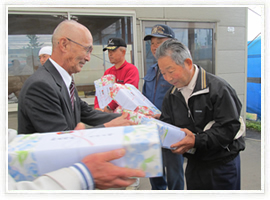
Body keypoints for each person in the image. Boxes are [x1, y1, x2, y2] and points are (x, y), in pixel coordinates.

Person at [156, 39, 246, 190]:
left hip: (222, 165)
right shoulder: (171, 96)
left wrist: (196, 140)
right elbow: (168, 125)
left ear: (188, 63)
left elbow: (229, 128)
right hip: (194, 164)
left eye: (171, 71)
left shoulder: (218, 89)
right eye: (163, 73)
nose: (168, 78)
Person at [18, 20, 135, 135]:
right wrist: (108, 127)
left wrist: (133, 118)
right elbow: (60, 139)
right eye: (86, 49)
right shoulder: (40, 86)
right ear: (64, 45)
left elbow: (88, 113)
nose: (88, 58)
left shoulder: (64, 80)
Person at [8, 123, 145, 190]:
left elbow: (10, 139)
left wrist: (73, 140)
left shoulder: (66, 81)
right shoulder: (41, 83)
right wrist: (83, 174)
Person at [142, 24, 184, 190]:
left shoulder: (178, 71)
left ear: (171, 45)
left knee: (174, 173)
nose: (154, 47)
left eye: (160, 42)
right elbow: (144, 97)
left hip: (171, 129)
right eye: (152, 43)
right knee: (154, 172)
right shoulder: (152, 71)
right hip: (151, 129)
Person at [94, 37, 139, 113]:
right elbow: (100, 92)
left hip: (125, 115)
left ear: (123, 52)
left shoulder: (131, 70)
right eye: (109, 51)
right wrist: (97, 107)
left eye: (113, 51)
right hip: (108, 114)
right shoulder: (108, 72)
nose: (110, 54)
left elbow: (127, 93)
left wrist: (109, 107)